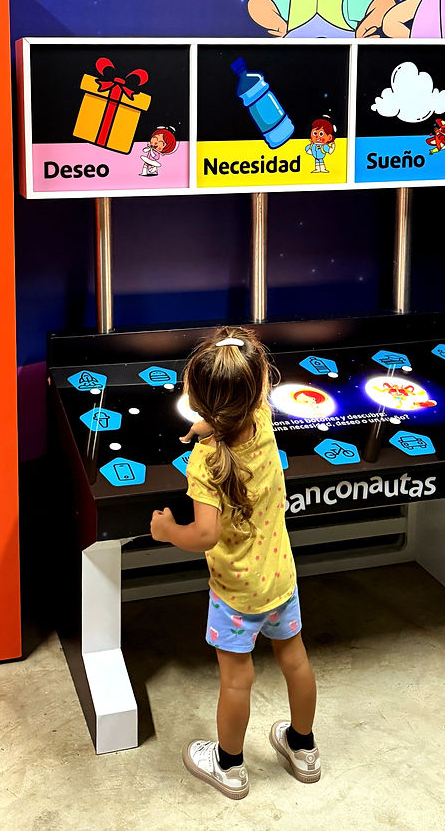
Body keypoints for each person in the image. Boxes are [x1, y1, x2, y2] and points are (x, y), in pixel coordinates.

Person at [150, 326, 319, 800]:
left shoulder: (204, 463)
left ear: (197, 400)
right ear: (260, 389)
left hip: (236, 594)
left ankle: (229, 766)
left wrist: (167, 532)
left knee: (237, 679)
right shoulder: (263, 420)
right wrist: (217, 423)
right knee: (295, 661)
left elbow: (205, 534)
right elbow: (245, 404)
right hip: (280, 578)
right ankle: (303, 748)